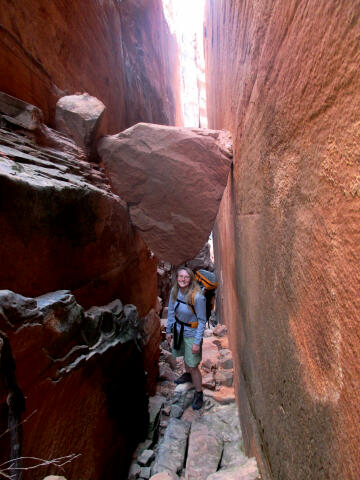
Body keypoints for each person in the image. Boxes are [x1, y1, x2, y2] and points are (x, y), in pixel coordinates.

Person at [166, 267, 207, 410]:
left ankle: (198, 392)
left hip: (191, 333)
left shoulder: (197, 297)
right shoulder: (174, 291)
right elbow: (171, 311)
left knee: (194, 365)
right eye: (180, 277)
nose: (183, 280)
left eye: (186, 277)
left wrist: (197, 342)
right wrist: (168, 330)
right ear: (177, 278)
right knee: (185, 357)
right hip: (179, 330)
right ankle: (187, 375)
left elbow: (202, 320)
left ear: (191, 280)